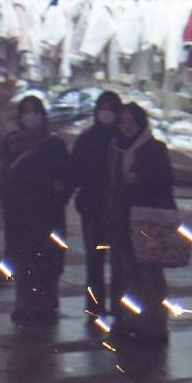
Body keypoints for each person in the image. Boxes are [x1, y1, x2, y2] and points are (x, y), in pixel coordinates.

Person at [0, 96, 73, 326]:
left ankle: (46, 306)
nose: (30, 116)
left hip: (48, 213)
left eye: (35, 111)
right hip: (20, 214)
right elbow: (2, 176)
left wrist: (57, 192)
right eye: (26, 112)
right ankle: (25, 305)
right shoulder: (10, 143)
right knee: (23, 260)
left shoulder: (54, 144)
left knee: (48, 261)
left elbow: (67, 178)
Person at [109, 102, 174, 344]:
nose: (127, 127)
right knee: (130, 274)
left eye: (132, 122)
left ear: (141, 123)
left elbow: (165, 181)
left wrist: (139, 179)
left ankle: (155, 327)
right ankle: (134, 320)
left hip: (148, 222)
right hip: (124, 220)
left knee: (150, 275)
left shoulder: (154, 148)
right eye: (123, 122)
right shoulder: (117, 148)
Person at [68, 91, 121, 323]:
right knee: (95, 262)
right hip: (93, 208)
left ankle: (121, 310)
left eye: (110, 108)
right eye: (102, 107)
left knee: (120, 263)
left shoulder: (123, 138)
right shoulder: (87, 139)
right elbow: (75, 171)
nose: (106, 113)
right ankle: (95, 308)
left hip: (119, 210)